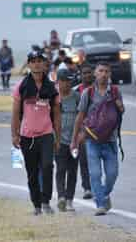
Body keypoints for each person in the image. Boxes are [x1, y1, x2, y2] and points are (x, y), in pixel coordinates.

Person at [70, 62, 124, 216]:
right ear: (95, 73)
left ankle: (105, 194)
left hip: (111, 141)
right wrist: (74, 140)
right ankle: (100, 204)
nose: (104, 74)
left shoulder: (115, 92)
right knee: (95, 174)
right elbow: (80, 117)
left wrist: (121, 107)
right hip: (92, 141)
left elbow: (119, 113)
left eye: (107, 71)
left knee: (112, 174)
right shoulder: (88, 93)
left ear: (110, 74)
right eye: (100, 71)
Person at [11, 50, 61, 216]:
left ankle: (46, 202)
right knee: (32, 173)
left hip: (46, 134)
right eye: (33, 61)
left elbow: (56, 113)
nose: (37, 64)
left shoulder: (51, 87)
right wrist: (15, 134)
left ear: (44, 63)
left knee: (47, 166)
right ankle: (37, 205)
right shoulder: (22, 87)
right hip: (27, 137)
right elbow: (16, 113)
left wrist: (58, 137)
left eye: (40, 60)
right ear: (29, 64)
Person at [55, 69, 80, 212]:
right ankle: (61, 198)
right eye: (64, 81)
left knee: (72, 171)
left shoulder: (77, 97)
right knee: (61, 169)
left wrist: (80, 135)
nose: (67, 84)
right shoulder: (53, 98)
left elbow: (83, 117)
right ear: (58, 81)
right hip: (58, 141)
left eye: (69, 81)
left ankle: (70, 200)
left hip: (74, 142)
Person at [72, 63, 94, 199]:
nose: (86, 75)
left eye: (89, 72)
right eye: (84, 73)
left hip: (98, 131)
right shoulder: (76, 91)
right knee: (84, 160)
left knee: (96, 160)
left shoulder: (99, 90)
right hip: (82, 132)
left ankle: (96, 184)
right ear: (80, 75)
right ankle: (87, 187)